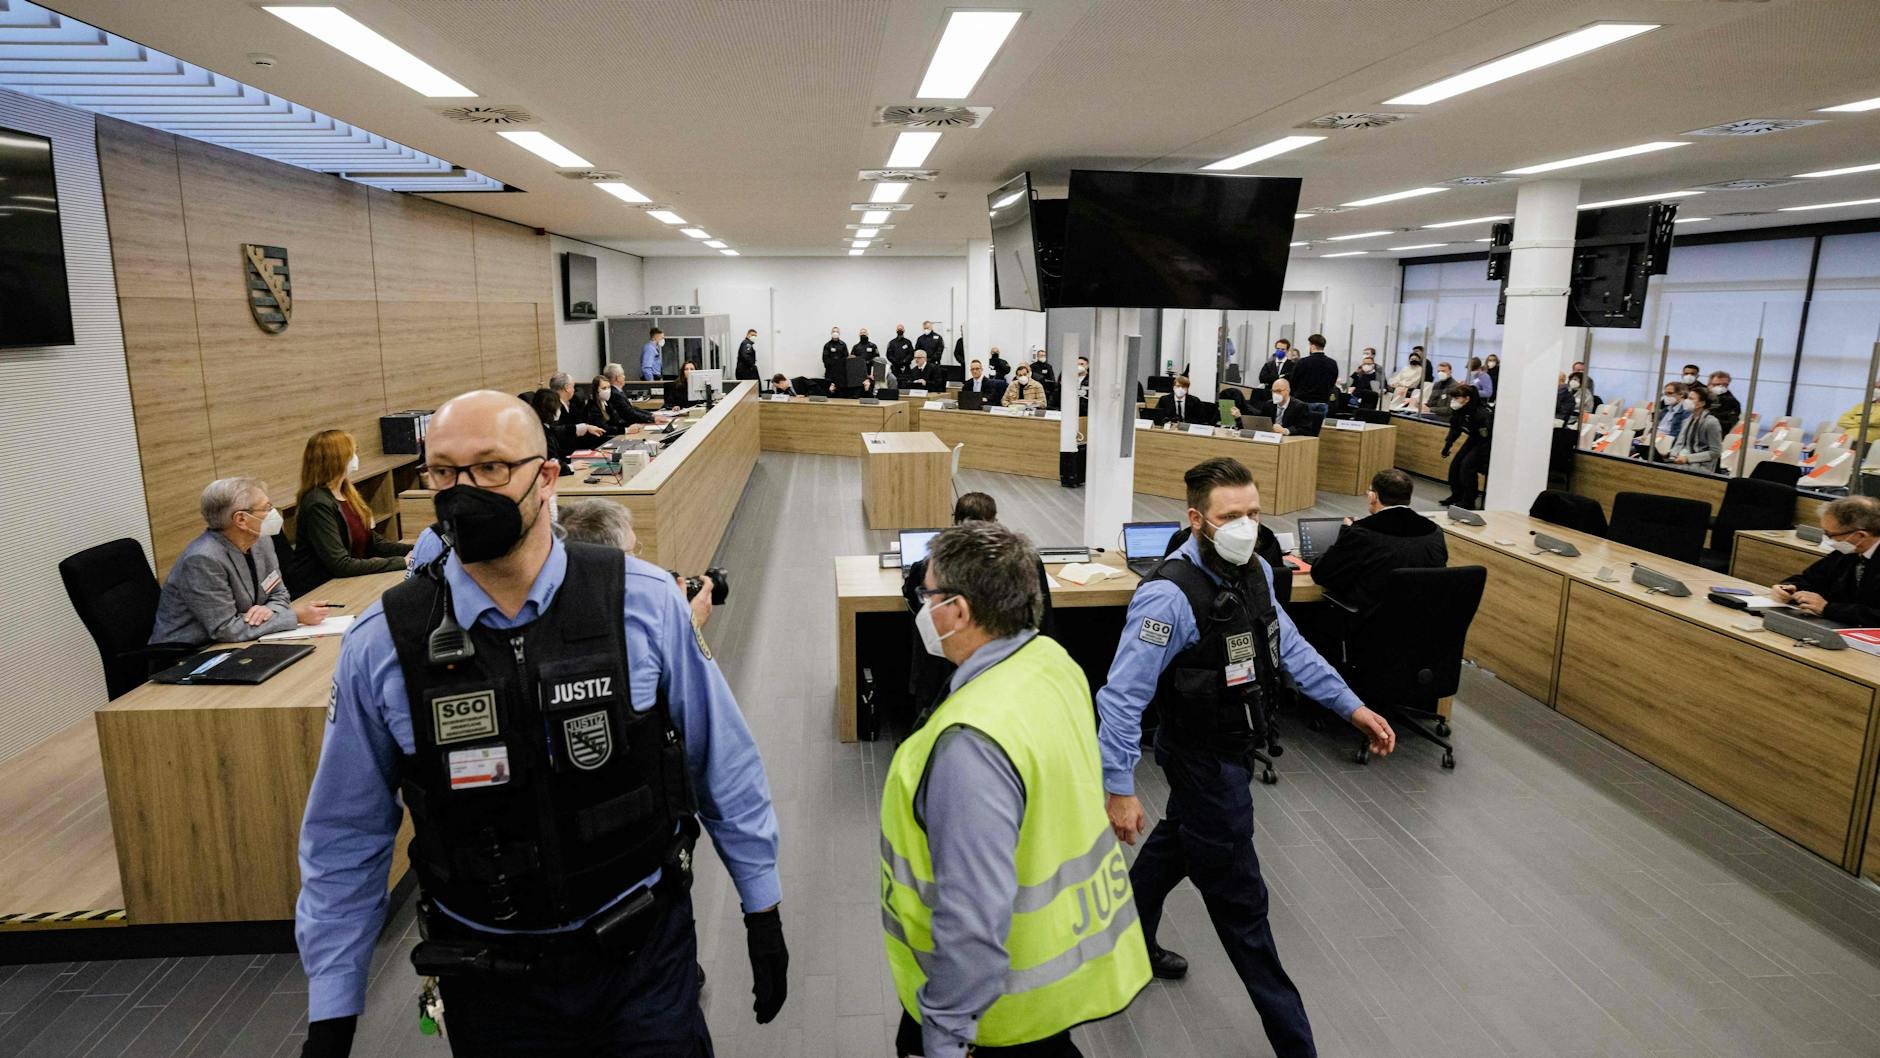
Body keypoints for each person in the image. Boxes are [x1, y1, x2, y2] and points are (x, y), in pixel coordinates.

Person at [295, 391, 787, 1058]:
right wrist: (333, 1004)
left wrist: (762, 907)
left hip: (641, 959)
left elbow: (721, 762)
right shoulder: (384, 645)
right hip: (491, 981)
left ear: (546, 477)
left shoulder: (641, 605)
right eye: (444, 472)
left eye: (491, 467)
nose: (464, 491)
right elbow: (345, 833)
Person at [1095, 458, 1393, 1058]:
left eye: (1255, 513)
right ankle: (1296, 1045)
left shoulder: (1255, 568)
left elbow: (1291, 648)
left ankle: (1124, 940)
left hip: (1235, 747)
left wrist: (1351, 707)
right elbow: (1122, 698)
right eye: (1232, 516)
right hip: (1200, 759)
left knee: (1174, 844)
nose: (1247, 526)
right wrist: (1119, 786)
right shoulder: (1166, 598)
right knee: (1243, 909)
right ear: (1198, 519)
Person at [884, 520, 1149, 1058]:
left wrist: (944, 1035)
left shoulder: (970, 743)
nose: (923, 607)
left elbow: (972, 918)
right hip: (1055, 980)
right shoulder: (1053, 663)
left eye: (927, 594)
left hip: (988, 1019)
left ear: (957, 611)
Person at [899, 492, 1056, 718]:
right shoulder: (1026, 560)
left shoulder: (933, 565)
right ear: (994, 521)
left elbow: (911, 596)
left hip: (942, 676)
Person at [149, 477, 331, 648]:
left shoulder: (261, 540)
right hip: (190, 654)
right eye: (266, 507)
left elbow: (279, 593)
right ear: (241, 519)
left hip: (242, 641)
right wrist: (295, 616)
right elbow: (226, 629)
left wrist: (269, 611)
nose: (272, 512)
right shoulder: (202, 559)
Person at [558, 499, 713, 631]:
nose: (636, 560)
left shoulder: (556, 598)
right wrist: (689, 624)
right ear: (607, 557)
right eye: (631, 550)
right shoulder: (632, 615)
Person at [1309, 469, 1446, 614]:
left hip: (1371, 626)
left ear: (1373, 496)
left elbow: (1322, 574)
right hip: (1424, 623)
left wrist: (1346, 532)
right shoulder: (1434, 531)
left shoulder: (1362, 532)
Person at [293, 430, 412, 581]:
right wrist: (401, 562)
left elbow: (373, 543)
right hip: (323, 587)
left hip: (350, 580)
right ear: (336, 459)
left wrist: (416, 550)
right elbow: (341, 564)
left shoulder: (347, 493)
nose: (356, 458)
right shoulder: (318, 504)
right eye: (352, 453)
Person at [1770, 497, 1880, 625]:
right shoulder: (1848, 551)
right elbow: (1812, 578)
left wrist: (1827, 608)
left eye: (1830, 534)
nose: (1827, 540)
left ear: (1860, 535)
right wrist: (1791, 588)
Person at [1441, 383, 1490, 508]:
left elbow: (1485, 439)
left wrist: (1484, 461)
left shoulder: (1481, 414)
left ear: (1467, 399)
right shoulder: (1459, 411)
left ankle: (1468, 501)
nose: (1453, 401)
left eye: (1456, 398)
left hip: (1484, 442)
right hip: (1473, 439)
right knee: (1455, 466)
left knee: (1467, 467)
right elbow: (1455, 430)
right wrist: (1447, 446)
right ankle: (1457, 495)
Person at [531, 388, 603, 472]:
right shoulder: (540, 433)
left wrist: (586, 427)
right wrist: (570, 467)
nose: (559, 409)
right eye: (558, 406)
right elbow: (551, 463)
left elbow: (559, 430)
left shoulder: (542, 426)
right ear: (550, 409)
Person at [1669, 384, 1723, 471]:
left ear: (1702, 403)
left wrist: (1688, 458)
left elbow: (1715, 452)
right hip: (1681, 462)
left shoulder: (1711, 422)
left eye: (1691, 399)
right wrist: (1673, 455)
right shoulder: (1687, 420)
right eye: (1687, 398)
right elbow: (1680, 443)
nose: (1686, 401)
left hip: (1701, 467)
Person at [1289, 334, 1339, 408]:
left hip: (1303, 401)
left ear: (1312, 345)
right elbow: (1332, 382)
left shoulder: (1302, 362)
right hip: (1323, 402)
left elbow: (1293, 381)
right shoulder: (1332, 363)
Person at [1708, 371, 1741, 436]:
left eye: (1724, 385)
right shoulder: (1702, 396)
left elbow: (1731, 423)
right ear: (1709, 384)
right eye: (1717, 384)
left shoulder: (1732, 402)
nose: (1720, 387)